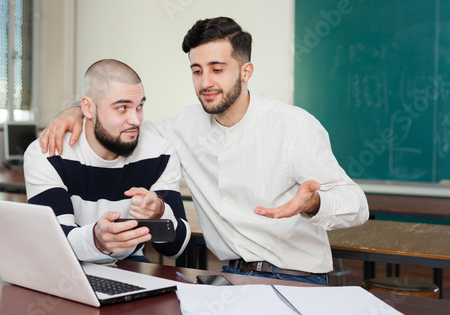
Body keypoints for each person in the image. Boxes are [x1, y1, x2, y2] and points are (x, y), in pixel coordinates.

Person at [39, 17, 369, 284]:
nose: (205, 82)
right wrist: (77, 110)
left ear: (245, 71)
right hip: (227, 278)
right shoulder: (183, 126)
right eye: (197, 71)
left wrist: (314, 203)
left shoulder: (294, 126)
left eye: (217, 68)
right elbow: (121, 121)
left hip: (297, 279)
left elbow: (357, 207)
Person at [24, 59, 190, 262]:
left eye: (140, 106)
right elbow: (54, 243)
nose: (136, 120)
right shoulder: (49, 152)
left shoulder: (160, 153)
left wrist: (160, 214)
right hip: (68, 265)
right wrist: (96, 240)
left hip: (127, 263)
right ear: (87, 108)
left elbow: (176, 249)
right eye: (122, 108)